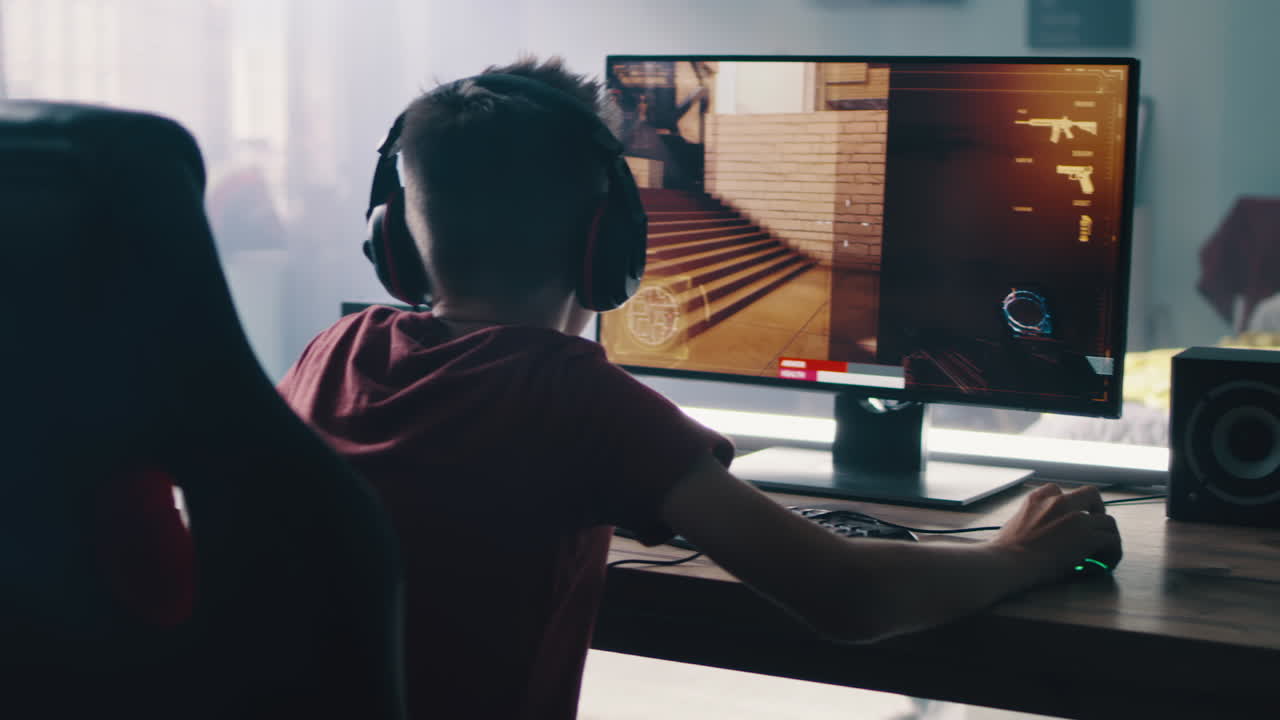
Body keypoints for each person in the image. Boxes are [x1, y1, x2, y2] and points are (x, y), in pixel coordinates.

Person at [276, 56, 1122, 720]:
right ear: (610, 246)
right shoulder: (571, 394)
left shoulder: (332, 351)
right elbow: (848, 597)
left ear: (395, 239)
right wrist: (1023, 552)